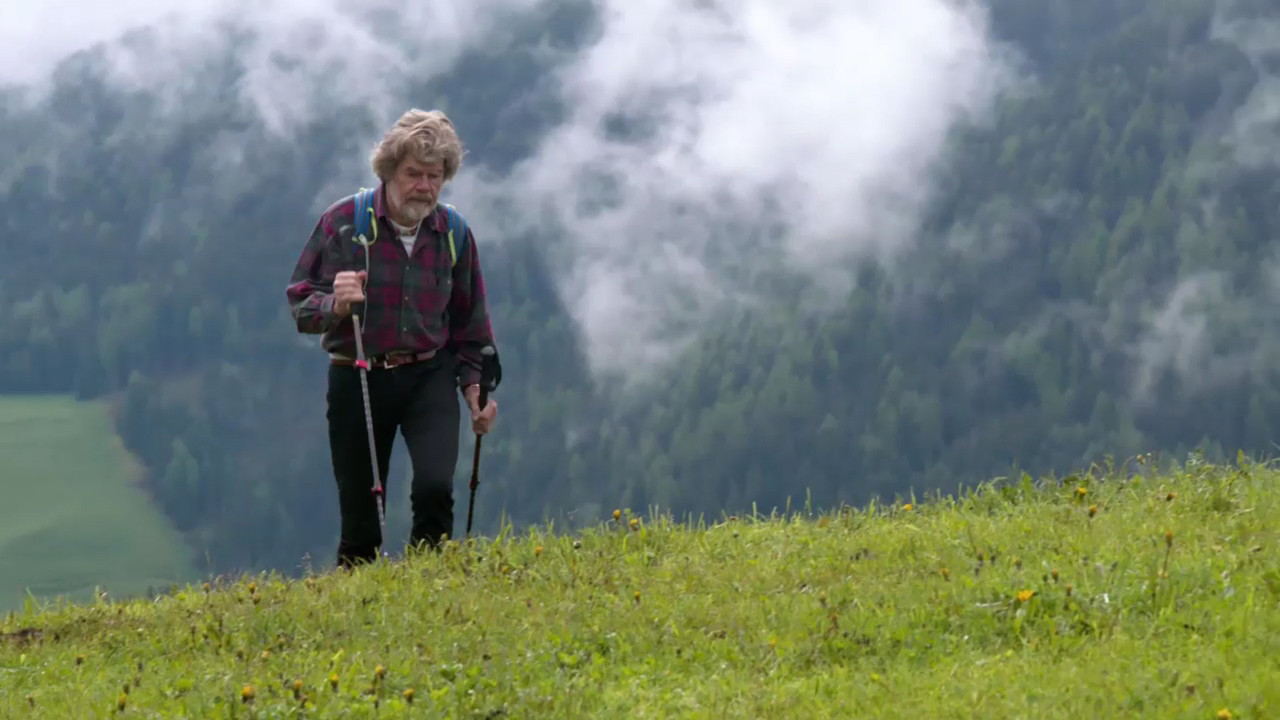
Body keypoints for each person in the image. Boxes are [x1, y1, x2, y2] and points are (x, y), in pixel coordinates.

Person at [285, 108, 500, 568]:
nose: (424, 186)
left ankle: (432, 592)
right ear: (388, 171)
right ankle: (356, 606)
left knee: (435, 491)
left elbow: (471, 325)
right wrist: (334, 305)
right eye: (413, 174)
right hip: (357, 373)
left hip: (430, 373)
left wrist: (475, 389)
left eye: (434, 175)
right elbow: (300, 304)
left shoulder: (453, 233)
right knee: (362, 514)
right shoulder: (344, 223)